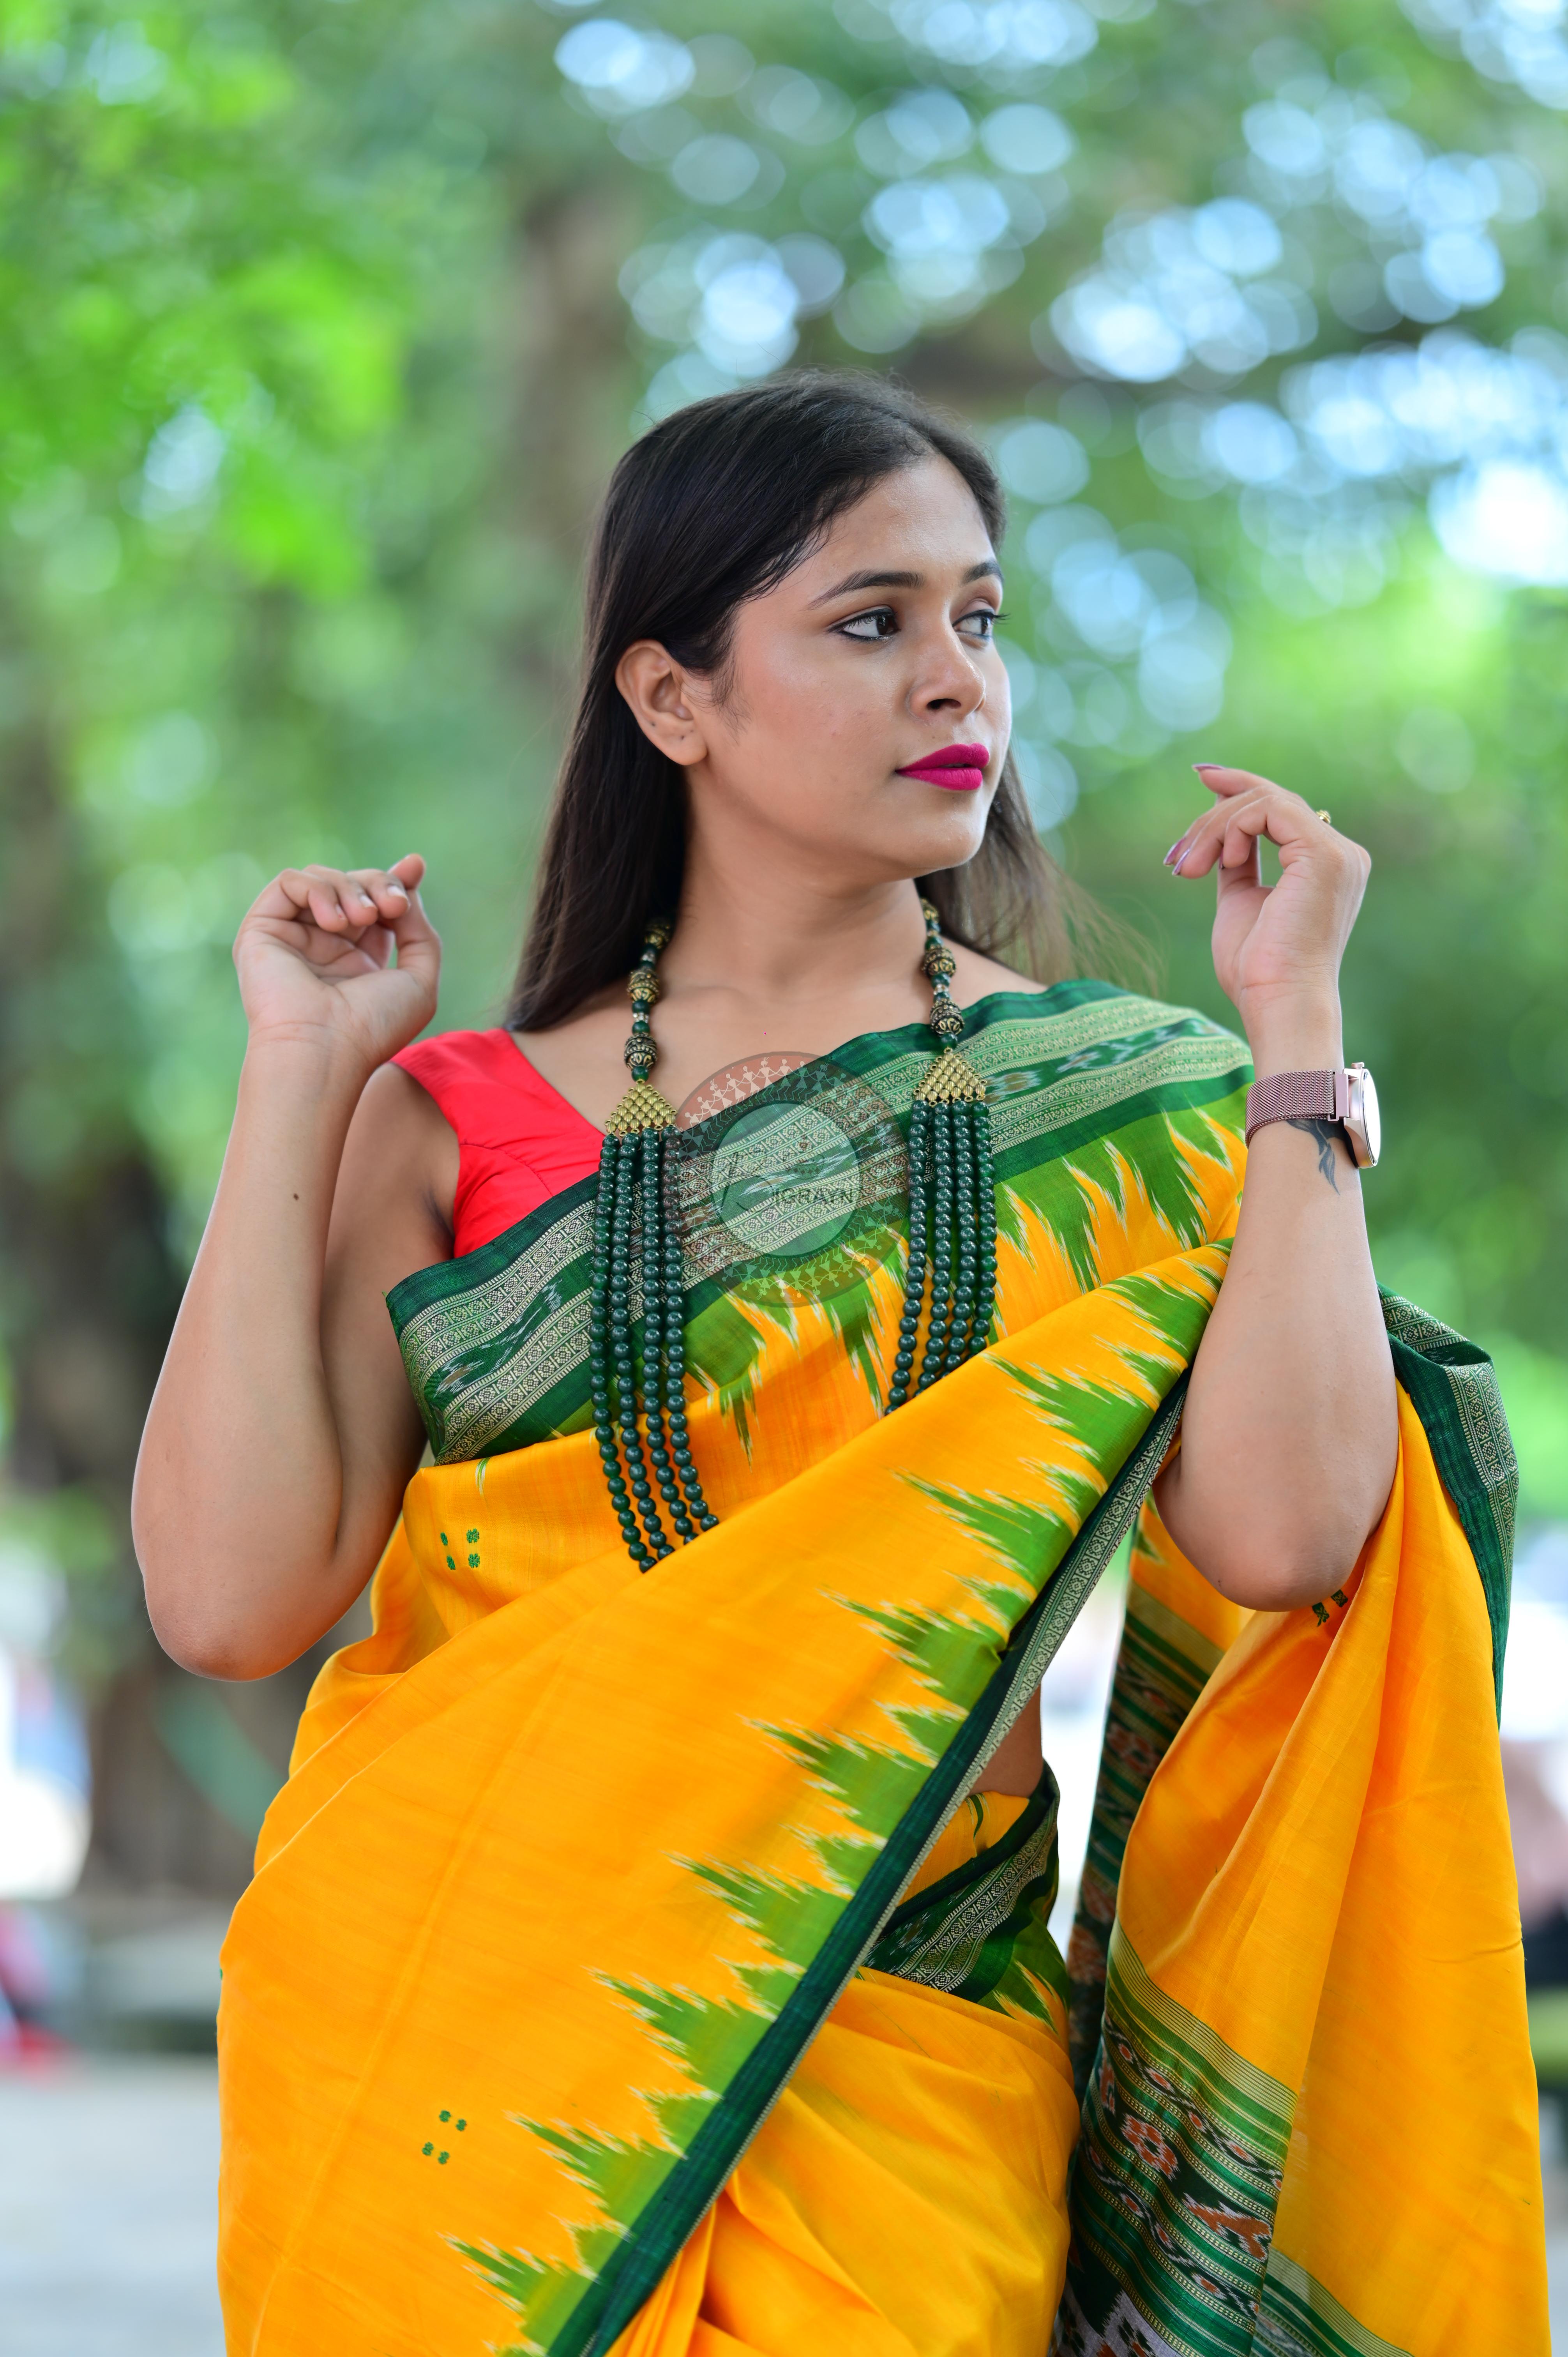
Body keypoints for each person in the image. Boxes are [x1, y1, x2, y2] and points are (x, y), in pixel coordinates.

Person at [133, 376, 1544, 2357]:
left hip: (904, 2068)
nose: (954, 679)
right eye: (869, 622)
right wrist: (302, 1076)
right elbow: (225, 1597)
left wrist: (1294, 1036)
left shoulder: (1134, 1108)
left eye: (978, 618)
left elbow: (1295, 1532)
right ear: (671, 698)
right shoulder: (455, 1121)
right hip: (456, 2053)